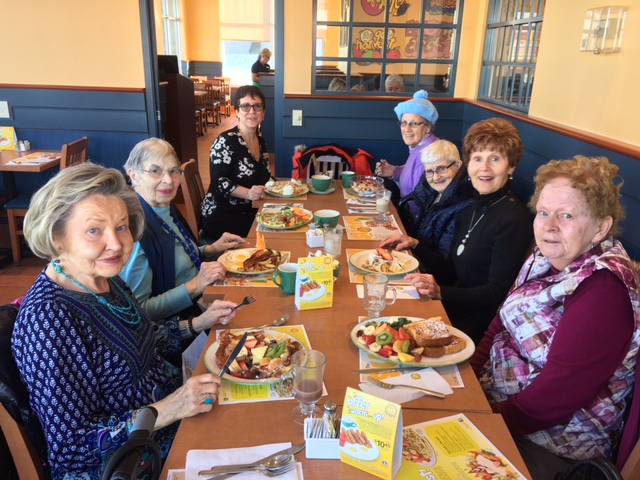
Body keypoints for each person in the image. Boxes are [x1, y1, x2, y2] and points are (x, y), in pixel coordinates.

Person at [11, 163, 236, 479]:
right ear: (57, 237)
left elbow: (141, 338)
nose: (116, 244)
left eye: (121, 227)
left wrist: (199, 324)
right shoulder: (48, 319)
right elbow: (72, 446)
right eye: (94, 230)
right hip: (128, 462)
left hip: (175, 413)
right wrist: (171, 408)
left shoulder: (105, 279)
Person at [471, 156, 640, 479]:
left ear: (600, 227)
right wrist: (468, 375)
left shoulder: (604, 290)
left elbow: (555, 396)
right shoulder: (545, 255)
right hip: (496, 404)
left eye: (566, 216)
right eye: (544, 212)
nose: (549, 226)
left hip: (550, 445)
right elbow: (503, 321)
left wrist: (486, 419)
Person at [399, 118, 533, 344]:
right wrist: (416, 244)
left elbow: (495, 293)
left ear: (511, 166)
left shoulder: (513, 217)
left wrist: (440, 292)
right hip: (450, 304)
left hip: (474, 323)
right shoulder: (473, 206)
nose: (484, 168)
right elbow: (452, 270)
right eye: (477, 158)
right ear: (468, 164)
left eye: (495, 159)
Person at [120, 138, 245, 341]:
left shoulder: (163, 207)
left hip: (204, 301)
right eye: (155, 171)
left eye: (173, 171)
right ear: (133, 175)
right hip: (177, 333)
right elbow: (140, 312)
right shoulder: (136, 231)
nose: (168, 180)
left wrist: (210, 249)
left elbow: (179, 252)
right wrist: (196, 284)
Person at [201, 85, 272, 240]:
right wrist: (249, 193)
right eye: (245, 106)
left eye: (257, 106)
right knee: (274, 234)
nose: (252, 111)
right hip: (224, 215)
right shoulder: (225, 141)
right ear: (237, 112)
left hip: (252, 210)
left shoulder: (261, 142)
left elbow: (263, 175)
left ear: (263, 113)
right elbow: (219, 182)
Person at [383, 139, 475, 258]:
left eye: (442, 168)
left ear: (458, 165)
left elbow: (445, 266)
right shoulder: (430, 191)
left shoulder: (464, 204)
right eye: (430, 171)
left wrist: (415, 244)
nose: (436, 177)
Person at [376, 90, 439, 199]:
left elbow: (419, 198)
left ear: (428, 127)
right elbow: (412, 180)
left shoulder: (430, 154)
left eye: (414, 124)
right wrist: (394, 172)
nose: (407, 129)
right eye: (404, 123)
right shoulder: (418, 147)